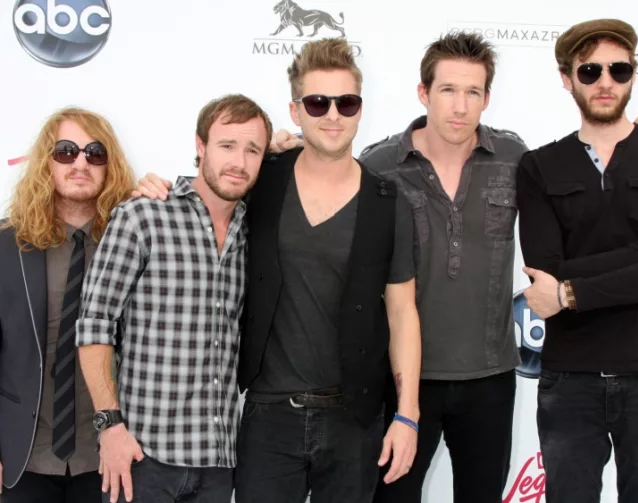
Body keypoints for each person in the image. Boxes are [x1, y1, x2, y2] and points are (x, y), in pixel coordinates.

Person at [268, 31, 638, 503]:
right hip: (401, 382)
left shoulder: (515, 159)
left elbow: (577, 186)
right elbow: (327, 173)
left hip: (491, 380)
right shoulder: (381, 164)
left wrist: (630, 139)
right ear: (423, 93)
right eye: (447, 90)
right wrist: (282, 151)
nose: (459, 106)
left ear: (487, 98)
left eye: (472, 92)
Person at [134, 38, 422, 503]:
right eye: (317, 102)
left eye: (346, 102)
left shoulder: (389, 202)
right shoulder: (261, 178)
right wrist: (155, 187)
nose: (333, 114)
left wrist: (407, 415)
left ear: (360, 109)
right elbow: (212, 181)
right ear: (296, 110)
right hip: (269, 415)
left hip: (356, 417)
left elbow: (403, 312)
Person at [517, 18, 638, 503]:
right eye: (590, 71)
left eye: (619, 69)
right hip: (570, 381)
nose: (606, 82)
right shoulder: (539, 166)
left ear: (634, 75)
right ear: (567, 78)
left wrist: (571, 292)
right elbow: (545, 273)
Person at [75, 94, 272, 503]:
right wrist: (109, 426)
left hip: (218, 464)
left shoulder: (256, 228)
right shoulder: (143, 216)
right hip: (144, 459)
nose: (239, 160)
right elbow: (95, 325)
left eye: (253, 149)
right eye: (226, 145)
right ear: (200, 147)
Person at [0, 107, 136, 502]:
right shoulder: (7, 245)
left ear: (109, 165)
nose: (81, 162)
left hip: (110, 457)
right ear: (47, 162)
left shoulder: (133, 241)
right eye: (66, 151)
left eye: (95, 153)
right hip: (23, 456)